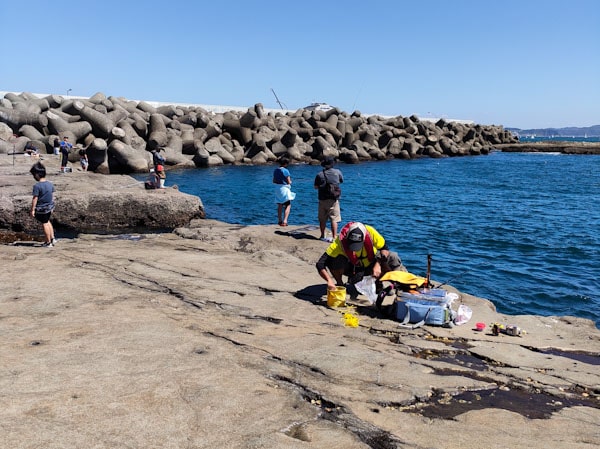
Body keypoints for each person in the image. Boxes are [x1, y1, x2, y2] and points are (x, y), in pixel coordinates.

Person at [316, 221, 405, 292]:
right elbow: (320, 263)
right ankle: (340, 285)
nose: (355, 249)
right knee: (334, 260)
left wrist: (377, 264)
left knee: (393, 257)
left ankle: (384, 283)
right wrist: (329, 280)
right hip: (353, 268)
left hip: (370, 264)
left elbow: (384, 248)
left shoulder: (370, 232)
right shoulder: (339, 242)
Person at [314, 156, 343, 242]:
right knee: (334, 218)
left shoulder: (319, 174)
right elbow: (341, 181)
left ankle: (322, 235)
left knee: (322, 219)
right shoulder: (337, 172)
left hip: (322, 199)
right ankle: (334, 237)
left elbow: (315, 187)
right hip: (334, 199)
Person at [29, 162, 56, 248]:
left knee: (44, 223)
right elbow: (52, 195)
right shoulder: (50, 184)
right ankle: (52, 238)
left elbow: (35, 198)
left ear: (36, 175)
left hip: (41, 208)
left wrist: (32, 209)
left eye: (33, 175)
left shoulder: (37, 186)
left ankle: (48, 242)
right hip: (49, 206)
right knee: (47, 221)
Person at [273, 156, 295, 226]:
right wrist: (291, 182)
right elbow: (288, 181)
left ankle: (279, 220)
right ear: (285, 164)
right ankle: (285, 221)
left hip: (277, 188)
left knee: (279, 204)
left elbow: (274, 181)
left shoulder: (276, 170)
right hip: (284, 188)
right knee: (288, 205)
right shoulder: (286, 171)